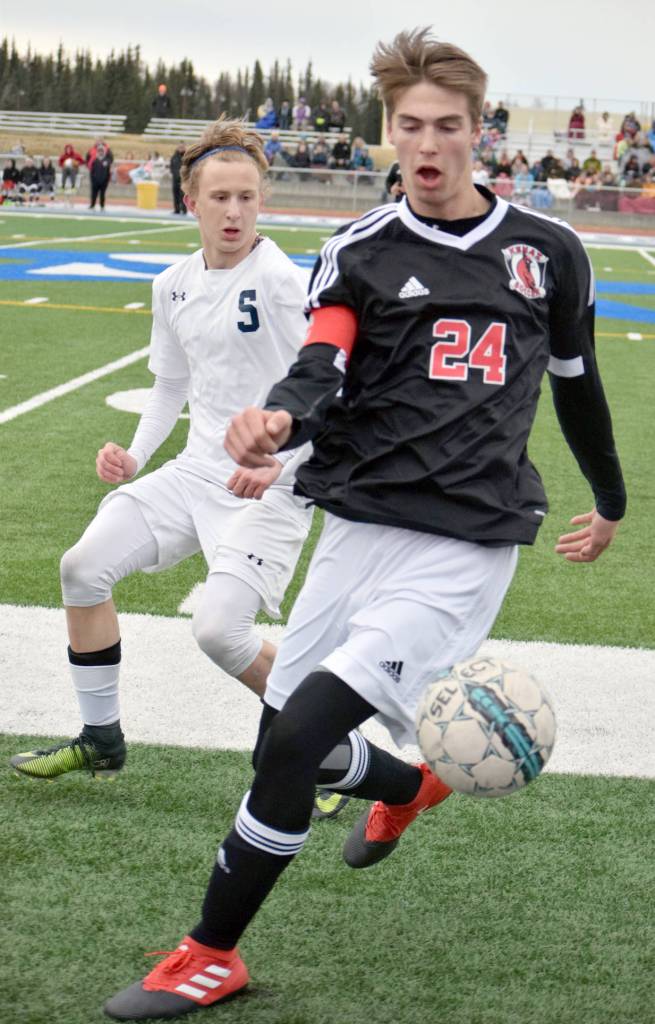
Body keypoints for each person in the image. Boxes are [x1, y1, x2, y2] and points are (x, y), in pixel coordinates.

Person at [103, 28, 626, 1021]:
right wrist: (282, 424)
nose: (426, 146)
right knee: (281, 746)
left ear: (481, 133)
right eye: (407, 127)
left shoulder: (548, 254)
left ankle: (211, 953)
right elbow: (322, 365)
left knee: (298, 730)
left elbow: (578, 388)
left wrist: (610, 500)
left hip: (464, 543)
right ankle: (402, 781)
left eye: (446, 128)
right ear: (387, 131)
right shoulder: (359, 250)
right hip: (356, 529)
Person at [9, 118, 313, 785]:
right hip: (195, 470)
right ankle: (100, 737)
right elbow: (170, 383)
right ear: (191, 201)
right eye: (219, 197)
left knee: (218, 634)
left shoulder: (284, 282)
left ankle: (321, 747)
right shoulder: (171, 284)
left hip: (270, 486)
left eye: (247, 197)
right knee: (82, 567)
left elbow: (327, 388)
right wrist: (136, 456)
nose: (234, 211)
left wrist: (282, 463)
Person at [88, 143, 112, 209]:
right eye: (99, 151)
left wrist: (106, 180)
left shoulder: (107, 161)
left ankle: (102, 205)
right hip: (95, 181)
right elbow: (92, 172)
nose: (100, 152)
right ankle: (92, 205)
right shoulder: (94, 160)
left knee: (102, 194)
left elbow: (108, 172)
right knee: (94, 194)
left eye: (102, 151)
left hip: (103, 181)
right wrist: (93, 180)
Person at [169, 142, 187, 214]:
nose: (181, 148)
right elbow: (171, 167)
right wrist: (174, 173)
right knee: (175, 194)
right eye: (179, 147)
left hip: (183, 180)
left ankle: (184, 210)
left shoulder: (187, 157)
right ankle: (176, 210)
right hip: (175, 179)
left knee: (183, 195)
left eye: (182, 147)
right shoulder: (174, 157)